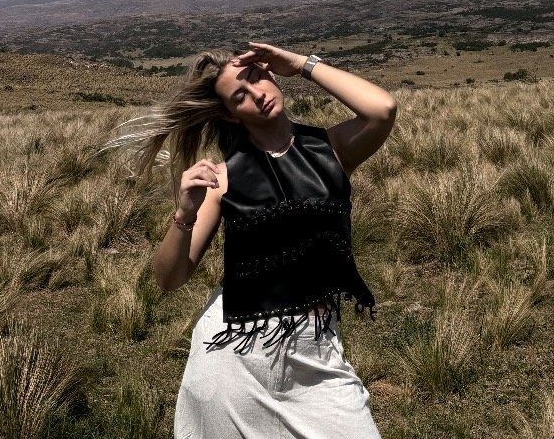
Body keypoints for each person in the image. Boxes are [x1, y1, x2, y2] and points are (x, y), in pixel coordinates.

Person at [105, 41, 397, 438]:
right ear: (230, 114)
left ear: (272, 74)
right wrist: (185, 214)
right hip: (234, 355)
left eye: (257, 78)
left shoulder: (332, 149)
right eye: (240, 95)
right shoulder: (223, 178)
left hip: (315, 351)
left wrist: (301, 63)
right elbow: (168, 278)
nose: (257, 95)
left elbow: (382, 109)